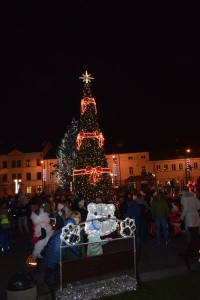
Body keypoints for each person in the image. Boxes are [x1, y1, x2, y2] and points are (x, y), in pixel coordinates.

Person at [43, 211, 86, 294]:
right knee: (50, 271)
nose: (77, 220)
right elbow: (71, 245)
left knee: (50, 270)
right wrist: (79, 253)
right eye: (75, 218)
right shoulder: (67, 231)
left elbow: (52, 238)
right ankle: (48, 286)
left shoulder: (63, 228)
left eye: (78, 218)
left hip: (52, 253)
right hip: (55, 255)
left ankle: (50, 284)